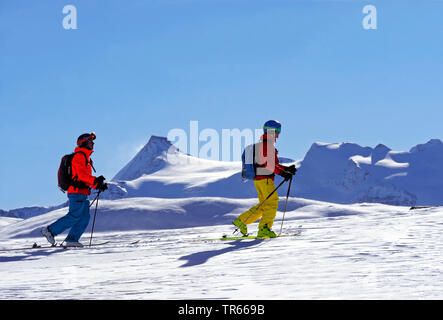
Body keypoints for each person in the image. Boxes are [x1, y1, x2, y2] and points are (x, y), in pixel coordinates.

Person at [41, 132, 108, 247]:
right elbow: (80, 175)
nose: (93, 143)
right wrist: (95, 180)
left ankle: (72, 240)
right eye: (90, 141)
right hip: (76, 192)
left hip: (83, 193)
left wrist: (97, 185)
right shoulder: (79, 156)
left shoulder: (86, 158)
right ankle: (50, 231)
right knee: (74, 216)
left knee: (84, 218)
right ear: (84, 142)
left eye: (92, 141)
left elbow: (84, 179)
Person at [233, 120, 296, 238]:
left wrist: (286, 169)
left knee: (263, 206)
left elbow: (271, 164)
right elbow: (269, 165)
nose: (278, 134)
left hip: (259, 180)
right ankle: (264, 229)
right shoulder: (268, 146)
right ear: (271, 131)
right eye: (277, 131)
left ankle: (242, 221)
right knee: (272, 202)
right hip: (265, 180)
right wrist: (283, 173)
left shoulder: (263, 145)